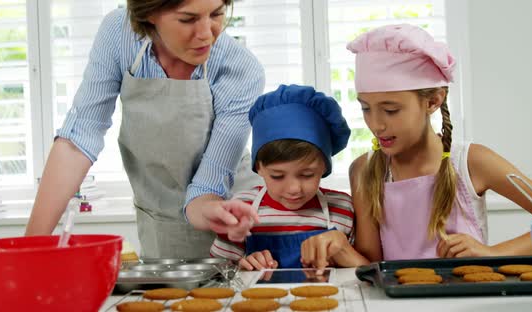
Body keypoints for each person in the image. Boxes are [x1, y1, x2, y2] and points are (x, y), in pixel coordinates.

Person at [25, 0, 265, 259]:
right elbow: (81, 135)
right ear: (149, 13)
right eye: (188, 19)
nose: (207, 33)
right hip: (158, 224)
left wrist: (215, 212)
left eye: (217, 14)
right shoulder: (120, 33)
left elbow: (210, 184)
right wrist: (29, 250)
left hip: (230, 226)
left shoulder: (241, 71)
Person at [346, 24, 532, 261]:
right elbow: (371, 266)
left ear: (433, 101)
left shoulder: (472, 162)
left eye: (391, 110)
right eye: (365, 108)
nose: (376, 124)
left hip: (471, 298)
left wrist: (493, 253)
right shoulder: (363, 170)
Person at [210, 84, 369, 270]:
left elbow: (363, 274)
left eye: (307, 174)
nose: (294, 189)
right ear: (258, 167)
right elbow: (218, 273)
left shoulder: (342, 208)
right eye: (277, 176)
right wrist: (244, 268)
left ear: (324, 167)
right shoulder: (243, 209)